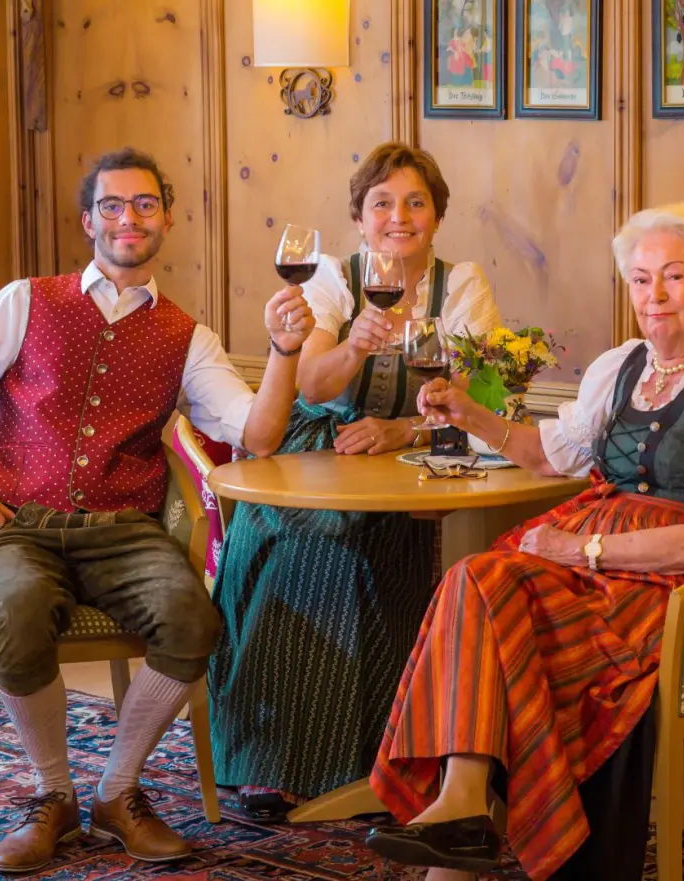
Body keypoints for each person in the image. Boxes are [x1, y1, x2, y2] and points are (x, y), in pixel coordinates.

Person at [0, 147, 314, 874]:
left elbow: (255, 435)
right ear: (89, 219)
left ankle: (117, 791)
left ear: (167, 219)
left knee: (194, 620)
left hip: (125, 531)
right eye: (114, 205)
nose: (131, 218)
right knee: (20, 609)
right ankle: (52, 795)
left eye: (146, 205)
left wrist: (284, 350)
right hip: (16, 525)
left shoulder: (189, 336)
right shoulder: (25, 300)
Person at [363, 202, 684, 881]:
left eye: (674, 277)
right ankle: (462, 805)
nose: (653, 296)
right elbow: (547, 455)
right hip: (592, 549)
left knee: (486, 588)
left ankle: (462, 822)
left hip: (666, 584)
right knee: (476, 579)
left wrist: (579, 551)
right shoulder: (623, 364)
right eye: (640, 278)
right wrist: (468, 412)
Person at [208, 142, 503, 820]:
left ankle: (377, 757)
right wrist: (356, 344)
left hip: (411, 451)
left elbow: (481, 396)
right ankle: (269, 756)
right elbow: (313, 383)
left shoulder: (462, 286)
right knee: (304, 530)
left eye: (415, 202)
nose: (398, 216)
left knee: (377, 537)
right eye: (382, 203)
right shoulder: (334, 280)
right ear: (360, 216)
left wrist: (401, 432)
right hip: (319, 443)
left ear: (437, 214)